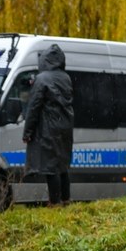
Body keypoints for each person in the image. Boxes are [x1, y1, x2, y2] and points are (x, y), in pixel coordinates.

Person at [22, 43, 75, 207]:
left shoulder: (42, 78)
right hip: (65, 127)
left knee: (50, 166)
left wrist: (27, 132)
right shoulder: (66, 78)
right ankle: (66, 199)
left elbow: (34, 106)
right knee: (63, 166)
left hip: (48, 128)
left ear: (44, 61)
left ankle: (54, 202)